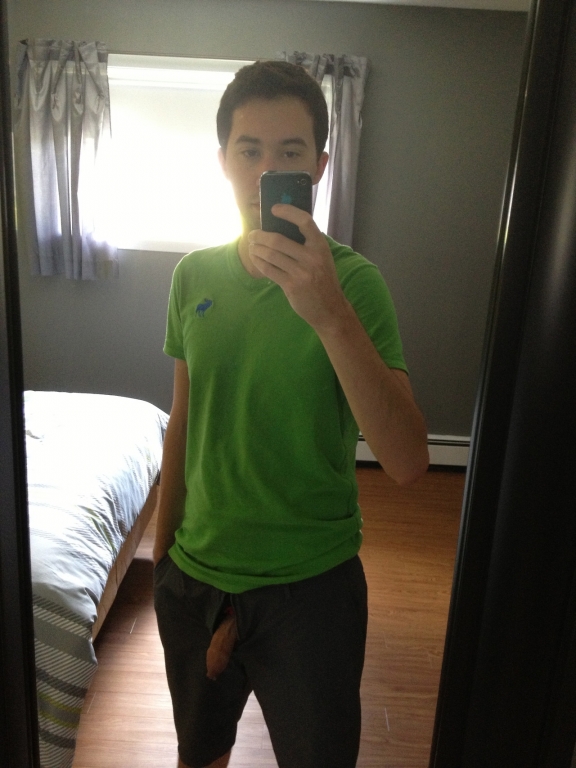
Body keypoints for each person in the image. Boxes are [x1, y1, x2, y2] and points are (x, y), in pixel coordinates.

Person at [153, 60, 429, 768]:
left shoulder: (356, 285)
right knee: (198, 754)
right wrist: (162, 561)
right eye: (249, 151)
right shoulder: (192, 276)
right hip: (196, 575)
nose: (265, 172)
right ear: (223, 161)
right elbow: (184, 418)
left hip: (312, 589)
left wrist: (328, 311)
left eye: (290, 153)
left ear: (320, 167)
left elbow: (406, 461)